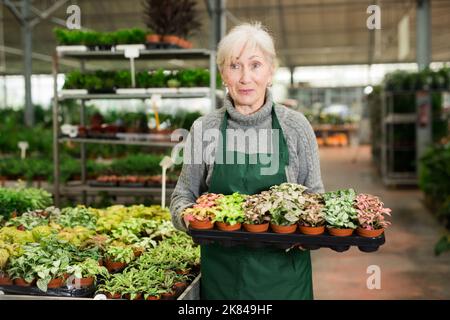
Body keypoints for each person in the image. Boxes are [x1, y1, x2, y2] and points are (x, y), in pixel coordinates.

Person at [170, 22, 324, 300]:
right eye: (234, 66)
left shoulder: (296, 126)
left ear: (270, 71)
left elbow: (315, 196)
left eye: (255, 65)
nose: (245, 78)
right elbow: (182, 197)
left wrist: (308, 232)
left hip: (285, 279)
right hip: (224, 278)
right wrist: (189, 217)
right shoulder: (204, 129)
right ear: (222, 74)